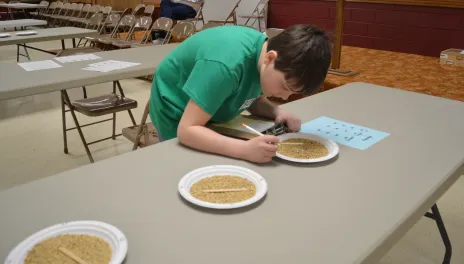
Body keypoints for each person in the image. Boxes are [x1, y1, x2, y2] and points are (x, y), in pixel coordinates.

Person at [149, 24, 332, 163]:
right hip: (176, 109)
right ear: (270, 58)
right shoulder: (226, 66)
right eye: (285, 87)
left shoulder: (262, 57)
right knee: (189, 166)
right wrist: (244, 150)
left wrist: (276, 112)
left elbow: (248, 94)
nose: (284, 97)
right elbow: (187, 131)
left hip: (210, 105)